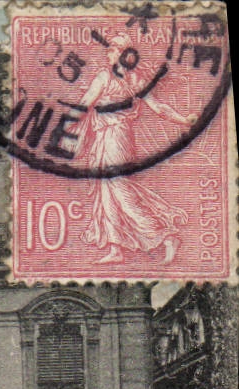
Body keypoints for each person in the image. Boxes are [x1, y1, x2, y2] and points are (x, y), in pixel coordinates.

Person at [74, 33, 196, 264]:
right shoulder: (132, 79)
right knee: (107, 191)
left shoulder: (110, 78)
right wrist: (184, 120)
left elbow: (84, 104)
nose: (107, 54)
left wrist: (184, 120)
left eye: (111, 51)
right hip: (108, 137)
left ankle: (165, 236)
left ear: (123, 54)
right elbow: (159, 107)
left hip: (116, 138)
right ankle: (115, 247)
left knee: (119, 189)